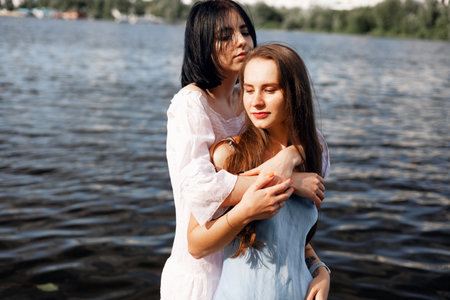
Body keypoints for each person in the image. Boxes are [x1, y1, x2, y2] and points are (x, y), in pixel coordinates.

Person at [161, 1, 329, 299]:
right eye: (225, 35)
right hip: (202, 272)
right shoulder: (191, 104)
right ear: (203, 44)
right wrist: (289, 182)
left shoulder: (248, 101)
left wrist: (290, 156)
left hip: (251, 266)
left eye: (245, 31)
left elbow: (308, 135)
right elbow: (202, 190)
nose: (242, 41)